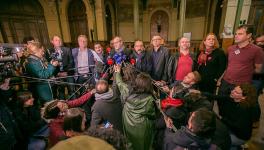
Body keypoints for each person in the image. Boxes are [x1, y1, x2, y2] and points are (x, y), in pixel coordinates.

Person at [114, 65, 156, 150]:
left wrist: (117, 73)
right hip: (141, 125)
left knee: (130, 141)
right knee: (142, 144)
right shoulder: (149, 99)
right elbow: (152, 115)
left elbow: (119, 83)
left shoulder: (127, 90)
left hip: (128, 120)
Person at [219, 25, 263, 96]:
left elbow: (258, 69)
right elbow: (228, 65)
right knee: (221, 102)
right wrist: (220, 79)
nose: (236, 36)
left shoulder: (257, 50)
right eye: (236, 34)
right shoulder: (230, 49)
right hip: (225, 82)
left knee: (236, 105)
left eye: (240, 34)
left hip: (241, 85)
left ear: (249, 35)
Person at [46, 35, 75, 99]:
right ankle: (62, 107)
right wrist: (58, 73)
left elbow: (71, 62)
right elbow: (48, 64)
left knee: (72, 91)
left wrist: (66, 73)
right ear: (52, 42)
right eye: (56, 40)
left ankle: (74, 106)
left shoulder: (67, 50)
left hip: (68, 74)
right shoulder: (49, 51)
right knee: (61, 91)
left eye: (59, 40)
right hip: (57, 75)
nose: (58, 41)